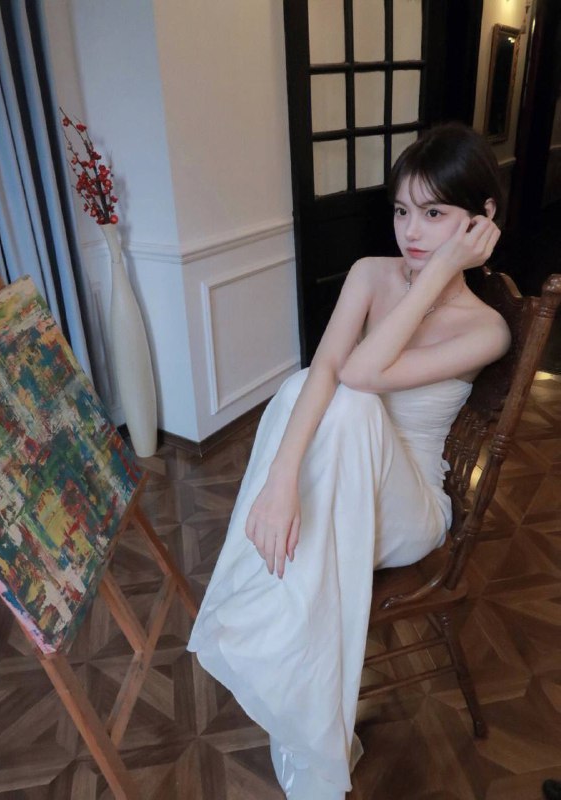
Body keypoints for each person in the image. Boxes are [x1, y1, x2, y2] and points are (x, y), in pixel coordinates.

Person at [187, 123, 511, 799]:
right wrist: (280, 484)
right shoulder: (369, 273)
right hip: (342, 476)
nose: (411, 232)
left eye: (434, 214)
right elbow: (326, 369)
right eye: (401, 210)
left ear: (481, 220)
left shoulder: (487, 328)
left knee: (352, 403)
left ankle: (275, 662)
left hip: (409, 504)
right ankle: (297, 692)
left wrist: (437, 275)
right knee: (303, 386)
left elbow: (361, 374)